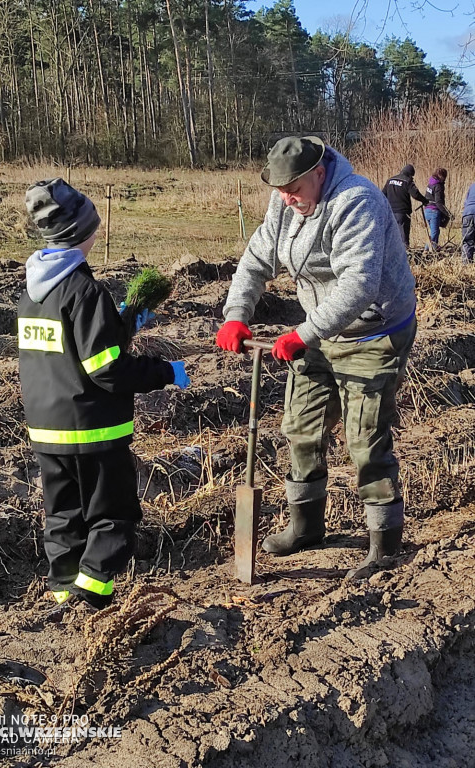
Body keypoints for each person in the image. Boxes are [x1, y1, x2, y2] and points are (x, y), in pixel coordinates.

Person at [216, 136, 416, 579]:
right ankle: (306, 527)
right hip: (319, 331)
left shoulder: (356, 200)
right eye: (281, 191)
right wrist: (236, 314)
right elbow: (256, 258)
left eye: (296, 190)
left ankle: (384, 547)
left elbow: (358, 285)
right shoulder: (284, 202)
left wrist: (302, 333)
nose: (288, 199)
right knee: (300, 428)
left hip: (373, 331)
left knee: (365, 440)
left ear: (320, 174)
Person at [18, 178, 190, 611]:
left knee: (63, 515)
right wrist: (165, 371)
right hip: (92, 430)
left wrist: (124, 324)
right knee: (113, 514)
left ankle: (63, 592)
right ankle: (92, 596)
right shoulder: (85, 291)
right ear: (82, 232)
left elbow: (74, 352)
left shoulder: (34, 292)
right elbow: (107, 369)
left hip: (47, 428)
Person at [382, 164, 429, 248]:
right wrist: (425, 200)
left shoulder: (390, 180)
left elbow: (383, 194)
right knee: (404, 236)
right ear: (410, 174)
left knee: (392, 235)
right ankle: (406, 255)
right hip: (402, 213)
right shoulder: (407, 181)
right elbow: (416, 194)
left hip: (390, 212)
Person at [424, 168, 448, 247]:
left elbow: (426, 197)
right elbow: (438, 202)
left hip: (427, 210)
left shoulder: (430, 184)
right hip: (434, 211)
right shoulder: (438, 186)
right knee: (434, 232)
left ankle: (434, 248)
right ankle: (427, 249)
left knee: (435, 231)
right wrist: (447, 213)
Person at [461, 183, 475, 264]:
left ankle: (466, 265)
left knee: (467, 241)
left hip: (467, 213)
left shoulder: (472, 186)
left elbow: (466, 202)